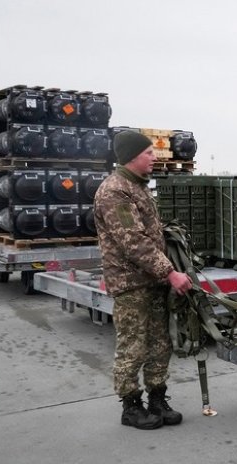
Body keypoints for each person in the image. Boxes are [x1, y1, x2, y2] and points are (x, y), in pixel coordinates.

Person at [94, 131, 193, 430]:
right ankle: (131, 405)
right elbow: (133, 241)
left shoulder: (137, 188)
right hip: (131, 282)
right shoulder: (115, 191)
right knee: (133, 345)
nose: (154, 158)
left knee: (159, 343)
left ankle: (157, 397)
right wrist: (170, 272)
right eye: (149, 153)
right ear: (132, 156)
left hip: (152, 280)